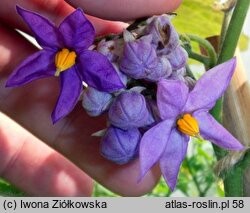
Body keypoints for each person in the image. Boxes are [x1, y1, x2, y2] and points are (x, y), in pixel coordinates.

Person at [0, 0, 182, 196]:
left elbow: (78, 29)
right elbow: (71, 25)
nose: (61, 62)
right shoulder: (73, 61)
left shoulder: (75, 61)